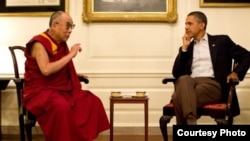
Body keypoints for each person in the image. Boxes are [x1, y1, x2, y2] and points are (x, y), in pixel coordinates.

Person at [23, 11, 110, 141]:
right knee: (61, 107)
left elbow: (59, 67)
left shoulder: (60, 43)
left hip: (60, 89)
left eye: (71, 27)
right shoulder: (40, 43)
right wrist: (71, 54)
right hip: (40, 91)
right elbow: (46, 70)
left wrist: (73, 74)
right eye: (67, 26)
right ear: (54, 25)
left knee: (92, 101)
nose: (70, 31)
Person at [171, 11, 250, 125]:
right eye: (185, 24)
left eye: (190, 24)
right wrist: (184, 49)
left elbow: (247, 56)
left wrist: (236, 72)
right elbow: (176, 73)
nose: (186, 27)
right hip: (190, 83)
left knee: (178, 96)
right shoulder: (187, 48)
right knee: (183, 80)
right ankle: (191, 120)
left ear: (202, 25)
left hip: (213, 85)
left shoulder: (221, 41)